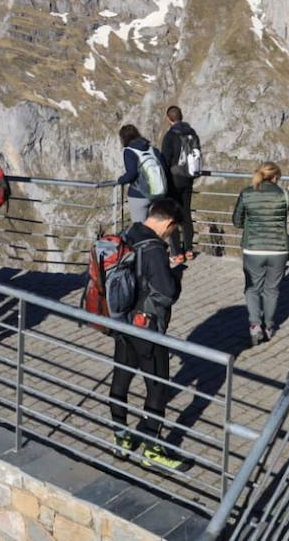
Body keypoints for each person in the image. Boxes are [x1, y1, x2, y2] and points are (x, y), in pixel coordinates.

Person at [108, 197, 185, 470]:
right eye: (172, 230)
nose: (170, 234)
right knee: (157, 386)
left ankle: (122, 439)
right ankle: (152, 448)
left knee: (121, 379)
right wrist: (177, 276)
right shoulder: (153, 248)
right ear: (169, 222)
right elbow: (166, 293)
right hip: (147, 326)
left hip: (121, 322)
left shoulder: (128, 233)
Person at [232, 161, 289, 344]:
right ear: (276, 177)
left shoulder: (247, 193)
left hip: (253, 248)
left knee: (252, 288)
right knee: (272, 289)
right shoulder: (285, 194)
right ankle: (269, 326)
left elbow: (236, 221)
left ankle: (255, 325)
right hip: (279, 250)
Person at [160, 106, 202, 261]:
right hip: (188, 178)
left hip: (174, 179)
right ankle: (189, 250)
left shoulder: (170, 136)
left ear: (168, 118)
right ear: (181, 116)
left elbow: (165, 160)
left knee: (173, 215)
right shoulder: (192, 132)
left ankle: (177, 253)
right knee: (186, 213)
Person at [117, 124, 171, 235]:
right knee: (154, 227)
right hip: (157, 193)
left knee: (139, 228)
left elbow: (132, 173)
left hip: (138, 195)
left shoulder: (129, 151)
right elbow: (164, 168)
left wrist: (121, 180)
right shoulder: (152, 149)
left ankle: (142, 251)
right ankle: (155, 250)